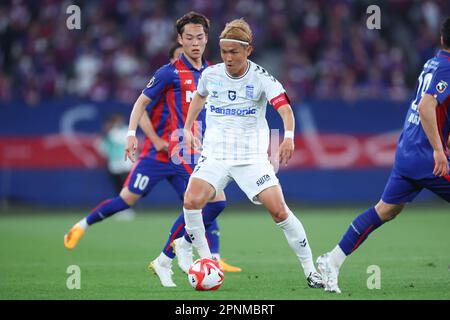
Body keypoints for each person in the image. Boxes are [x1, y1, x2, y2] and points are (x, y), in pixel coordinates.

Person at [64, 35, 241, 282]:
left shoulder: (200, 82)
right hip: (155, 156)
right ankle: (82, 225)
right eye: (181, 53)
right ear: (173, 58)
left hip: (182, 156)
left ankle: (209, 257)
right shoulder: (166, 80)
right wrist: (155, 140)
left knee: (204, 201)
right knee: (126, 199)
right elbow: (142, 111)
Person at [178, 18, 324, 288]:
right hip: (216, 155)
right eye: (224, 52)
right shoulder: (211, 75)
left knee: (279, 212)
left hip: (251, 159)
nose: (228, 57)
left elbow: (285, 110)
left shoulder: (261, 78)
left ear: (248, 50)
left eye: (234, 52)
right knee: (191, 200)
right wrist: (188, 127)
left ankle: (311, 270)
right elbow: (199, 96)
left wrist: (288, 138)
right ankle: (206, 259)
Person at [316, 17, 450, 294]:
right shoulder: (448, 68)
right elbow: (427, 107)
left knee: (386, 210)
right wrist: (439, 150)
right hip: (425, 155)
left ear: (441, 39)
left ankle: (333, 259)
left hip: (407, 151)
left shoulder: (432, 62)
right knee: (385, 210)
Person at [123, 12, 242, 287]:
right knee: (211, 202)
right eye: (189, 38)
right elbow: (140, 103)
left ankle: (168, 256)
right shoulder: (169, 72)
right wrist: (131, 134)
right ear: (180, 40)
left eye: (200, 37)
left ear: (206, 38)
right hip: (182, 148)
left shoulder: (213, 72)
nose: (195, 43)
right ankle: (190, 255)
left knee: (214, 203)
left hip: (207, 148)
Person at [97, 113, 136, 221]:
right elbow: (102, 149)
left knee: (124, 189)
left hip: (124, 166)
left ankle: (126, 209)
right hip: (116, 166)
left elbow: (102, 148)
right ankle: (122, 209)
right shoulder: (115, 133)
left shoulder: (121, 132)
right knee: (120, 189)